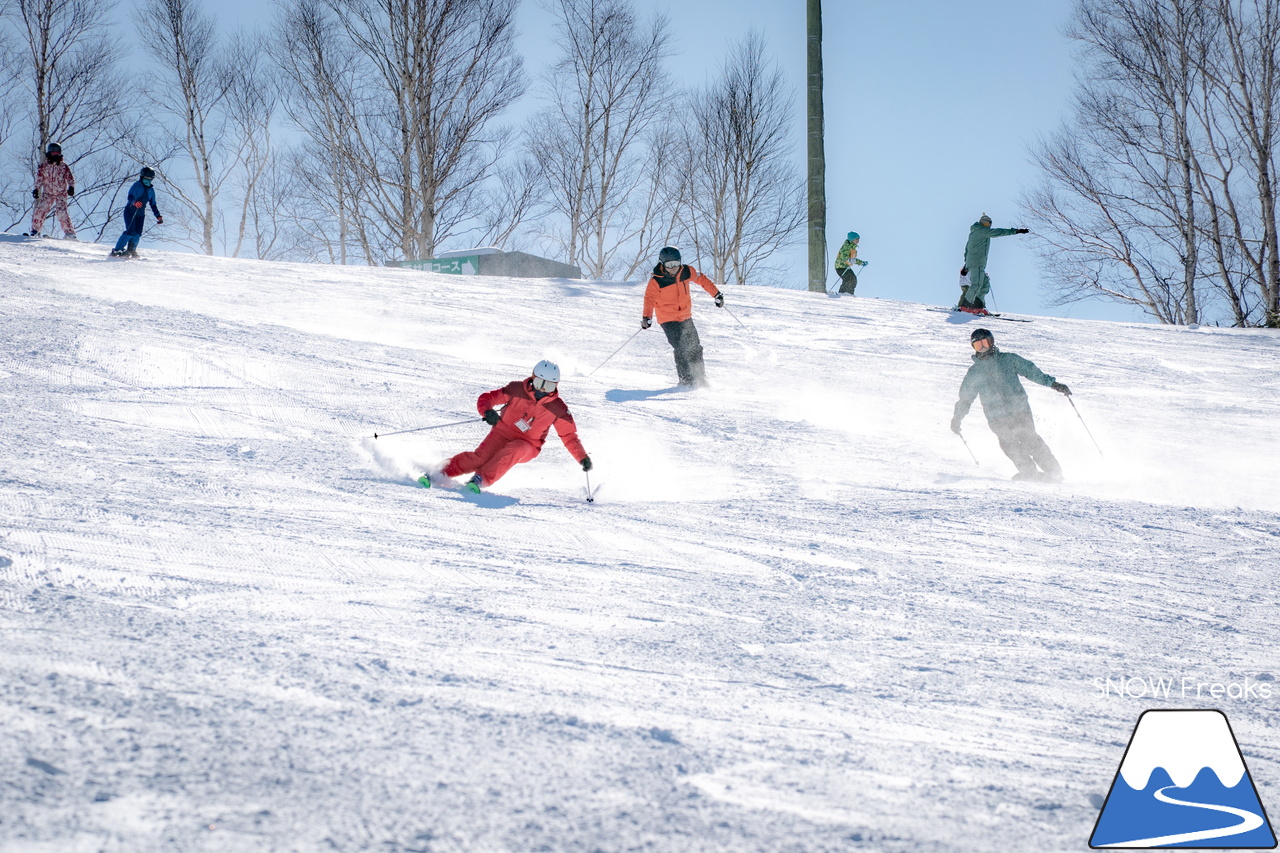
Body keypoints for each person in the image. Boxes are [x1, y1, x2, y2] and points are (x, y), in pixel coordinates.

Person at [420, 360, 591, 494]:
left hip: (529, 445)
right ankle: (438, 474)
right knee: (479, 458)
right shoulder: (516, 389)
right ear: (533, 378)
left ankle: (479, 479)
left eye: (549, 386)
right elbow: (487, 398)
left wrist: (582, 457)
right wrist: (487, 412)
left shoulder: (558, 409)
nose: (543, 390)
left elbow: (569, 436)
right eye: (540, 383)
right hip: (501, 433)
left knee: (515, 449)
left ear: (556, 385)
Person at [950, 328, 1072, 482]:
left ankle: (1054, 472)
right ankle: (1030, 473)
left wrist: (1053, 384)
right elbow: (965, 399)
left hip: (1019, 410)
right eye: (978, 346)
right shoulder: (975, 372)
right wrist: (957, 419)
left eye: (985, 343)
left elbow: (1031, 371)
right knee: (1009, 444)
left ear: (992, 342)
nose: (983, 349)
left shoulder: (1008, 360)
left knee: (1030, 439)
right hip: (996, 418)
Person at [641, 246, 724, 388]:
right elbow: (649, 299)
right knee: (681, 347)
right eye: (669, 265)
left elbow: (702, 280)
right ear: (662, 264)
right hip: (668, 319)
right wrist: (646, 317)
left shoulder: (686, 271)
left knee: (695, 347)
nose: (673, 268)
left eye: (675, 264)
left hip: (685, 316)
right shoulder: (657, 281)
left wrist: (716, 294)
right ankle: (686, 381)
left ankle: (700, 378)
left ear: (680, 262)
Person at [957, 213, 1028, 314]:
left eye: (990, 224)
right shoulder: (981, 231)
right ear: (983, 223)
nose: (988, 226)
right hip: (976, 263)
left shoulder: (976, 232)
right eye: (987, 223)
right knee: (976, 285)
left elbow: (967, 248)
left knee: (985, 285)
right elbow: (998, 232)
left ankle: (978, 306)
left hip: (977, 263)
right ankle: (966, 306)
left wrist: (966, 264)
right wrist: (1015, 231)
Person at [110, 167, 163, 257]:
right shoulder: (137, 185)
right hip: (130, 211)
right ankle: (117, 250)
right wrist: (135, 202)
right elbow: (130, 196)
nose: (148, 181)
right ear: (142, 177)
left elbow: (153, 204)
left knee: (137, 233)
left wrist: (158, 216)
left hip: (140, 214)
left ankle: (131, 250)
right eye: (146, 178)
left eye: (150, 179)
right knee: (130, 231)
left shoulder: (151, 190)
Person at [28, 143, 77, 240]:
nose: (55, 154)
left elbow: (70, 177)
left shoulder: (63, 166)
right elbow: (39, 178)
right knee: (40, 210)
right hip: (48, 192)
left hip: (61, 193)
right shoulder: (44, 166)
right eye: (53, 152)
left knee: (62, 212)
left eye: (57, 152)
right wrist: (36, 189)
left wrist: (71, 187)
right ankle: (35, 231)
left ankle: (69, 233)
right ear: (49, 152)